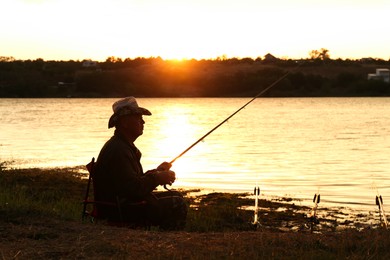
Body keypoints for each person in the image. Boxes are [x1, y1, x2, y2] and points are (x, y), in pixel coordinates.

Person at [93, 97, 187, 230]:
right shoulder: (119, 150)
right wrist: (158, 178)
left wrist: (157, 171)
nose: (143, 121)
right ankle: (166, 243)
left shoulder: (121, 146)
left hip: (122, 204)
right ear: (125, 122)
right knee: (178, 203)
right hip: (120, 210)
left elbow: (130, 181)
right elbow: (133, 189)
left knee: (177, 195)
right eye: (138, 117)